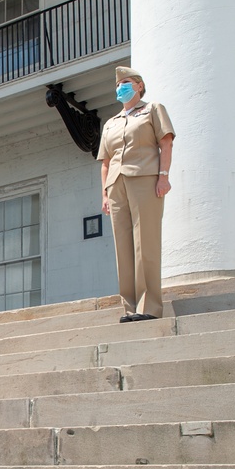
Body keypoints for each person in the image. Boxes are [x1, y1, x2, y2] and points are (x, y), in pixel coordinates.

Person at [97, 66, 175, 322]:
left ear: (139, 85)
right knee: (123, 246)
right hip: (116, 184)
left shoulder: (152, 109)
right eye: (119, 84)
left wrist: (163, 177)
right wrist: (105, 195)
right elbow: (105, 162)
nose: (121, 87)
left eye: (127, 82)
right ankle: (130, 308)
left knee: (146, 242)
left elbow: (165, 142)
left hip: (144, 178)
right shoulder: (111, 123)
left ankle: (149, 306)